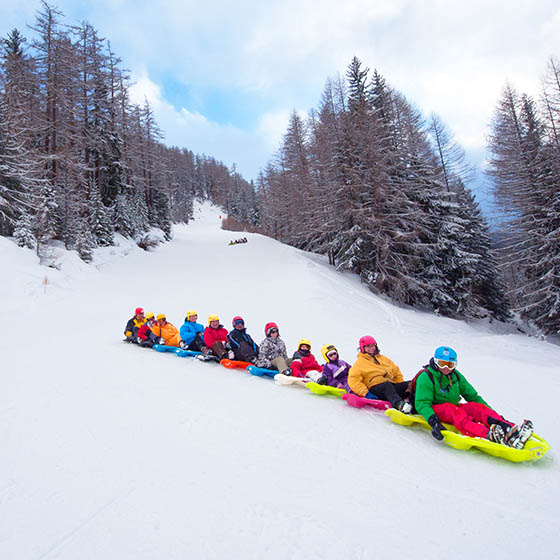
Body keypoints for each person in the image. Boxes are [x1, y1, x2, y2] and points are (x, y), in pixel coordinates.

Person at [414, 346, 533, 448]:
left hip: (453, 406)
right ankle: (487, 434)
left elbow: (473, 396)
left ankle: (507, 427)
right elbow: (422, 403)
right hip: (435, 410)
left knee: (475, 407)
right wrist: (434, 422)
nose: (446, 368)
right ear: (435, 362)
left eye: (450, 365)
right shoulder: (426, 377)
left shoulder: (455, 376)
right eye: (442, 364)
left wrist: (492, 413)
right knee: (454, 411)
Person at [348, 336, 412, 413]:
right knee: (386, 386)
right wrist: (365, 393)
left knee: (410, 384)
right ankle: (399, 405)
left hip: (390, 387)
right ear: (362, 348)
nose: (371, 348)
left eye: (373, 345)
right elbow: (353, 380)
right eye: (368, 346)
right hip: (375, 388)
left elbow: (396, 371)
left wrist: (400, 385)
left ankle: (413, 403)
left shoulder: (383, 359)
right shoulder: (360, 363)